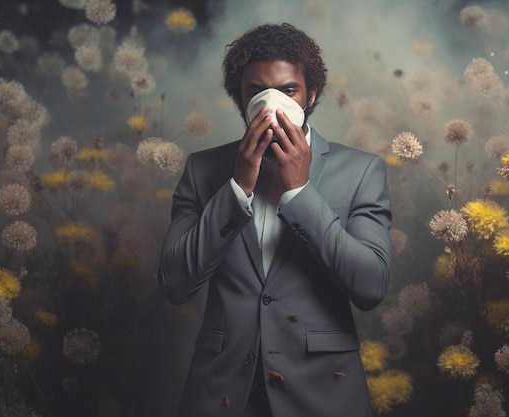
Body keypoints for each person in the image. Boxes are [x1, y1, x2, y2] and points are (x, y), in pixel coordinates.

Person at [157, 22, 392, 417]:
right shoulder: (202, 170)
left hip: (322, 392)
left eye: (288, 90)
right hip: (222, 393)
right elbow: (175, 284)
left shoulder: (361, 171)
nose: (273, 104)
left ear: (311, 94)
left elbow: (370, 286)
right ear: (240, 99)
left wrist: (300, 193)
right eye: (257, 91)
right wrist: (237, 187)